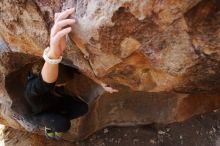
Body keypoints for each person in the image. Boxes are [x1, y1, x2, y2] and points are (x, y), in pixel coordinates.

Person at [24, 8, 117, 140]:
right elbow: (43, 85)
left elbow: (80, 70)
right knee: (62, 124)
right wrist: (53, 55)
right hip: (41, 113)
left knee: (83, 108)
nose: (65, 84)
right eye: (62, 83)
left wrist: (102, 84)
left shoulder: (61, 78)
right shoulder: (31, 91)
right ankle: (52, 125)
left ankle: (58, 118)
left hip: (57, 102)